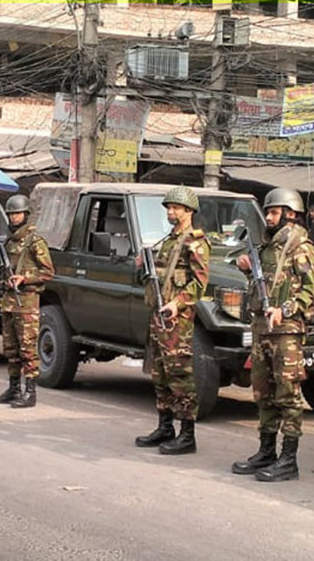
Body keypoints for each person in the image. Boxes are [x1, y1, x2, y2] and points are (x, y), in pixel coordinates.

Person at [232, 187, 314, 483]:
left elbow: (310, 292)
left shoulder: (301, 248)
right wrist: (247, 269)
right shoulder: (268, 248)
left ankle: (288, 459)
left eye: (274, 212)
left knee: (288, 395)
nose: (269, 217)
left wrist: (286, 309)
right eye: (268, 212)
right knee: (263, 393)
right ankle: (266, 451)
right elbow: (265, 284)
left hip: (286, 333)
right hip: (262, 330)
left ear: (290, 214)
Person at [133, 187, 210, 453]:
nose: (170, 211)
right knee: (160, 373)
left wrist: (177, 304)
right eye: (169, 207)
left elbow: (199, 284)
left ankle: (187, 435)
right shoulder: (167, 241)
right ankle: (165, 426)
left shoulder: (195, 242)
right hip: (159, 317)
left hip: (178, 320)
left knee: (180, 375)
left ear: (189, 211)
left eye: (176, 207)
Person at [0, 194, 55, 408]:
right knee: (10, 347)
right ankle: (14, 387)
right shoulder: (8, 241)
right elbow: (2, 270)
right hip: (9, 300)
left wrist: (24, 278)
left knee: (27, 348)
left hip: (26, 302)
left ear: (26, 215)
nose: (14, 217)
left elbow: (48, 272)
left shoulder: (35, 242)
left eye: (17, 213)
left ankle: (30, 392)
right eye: (11, 214)